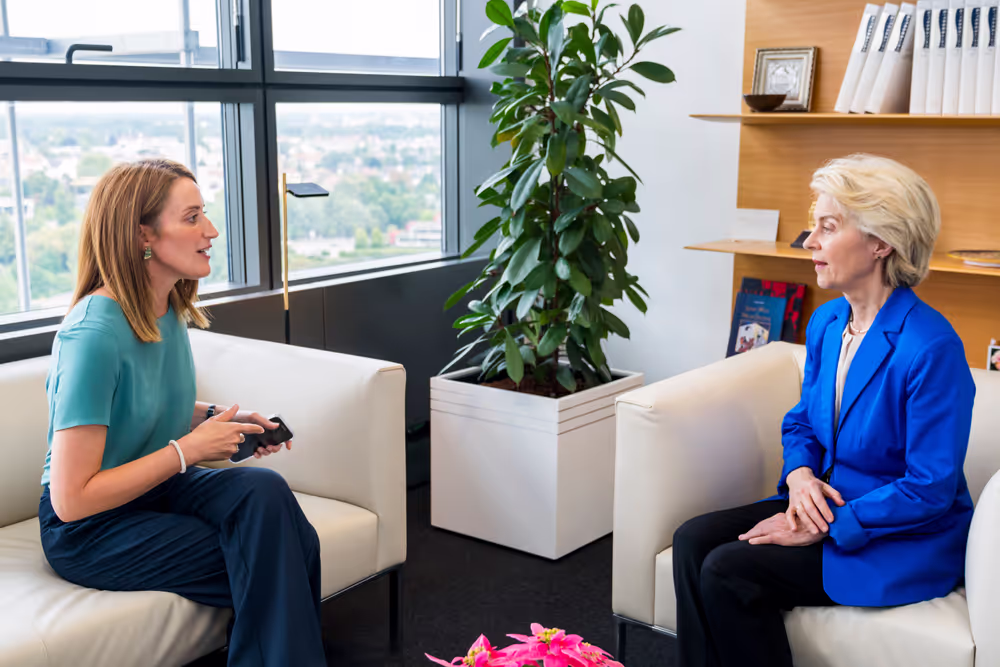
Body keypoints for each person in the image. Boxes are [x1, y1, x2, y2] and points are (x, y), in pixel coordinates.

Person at [673, 154, 976, 667]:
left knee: (729, 569)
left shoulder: (931, 348)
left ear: (881, 242)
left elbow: (930, 487)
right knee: (691, 540)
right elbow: (802, 422)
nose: (809, 241)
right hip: (822, 500)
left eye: (828, 227)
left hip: (892, 532)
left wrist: (828, 524)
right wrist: (800, 476)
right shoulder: (828, 321)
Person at [39, 159, 326, 666]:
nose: (211, 230)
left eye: (204, 214)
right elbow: (72, 500)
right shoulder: (92, 336)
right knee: (284, 549)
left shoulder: (165, 306)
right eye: (192, 217)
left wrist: (221, 419)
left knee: (265, 492)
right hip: (90, 529)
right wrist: (187, 451)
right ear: (141, 235)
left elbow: (140, 400)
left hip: (154, 491)